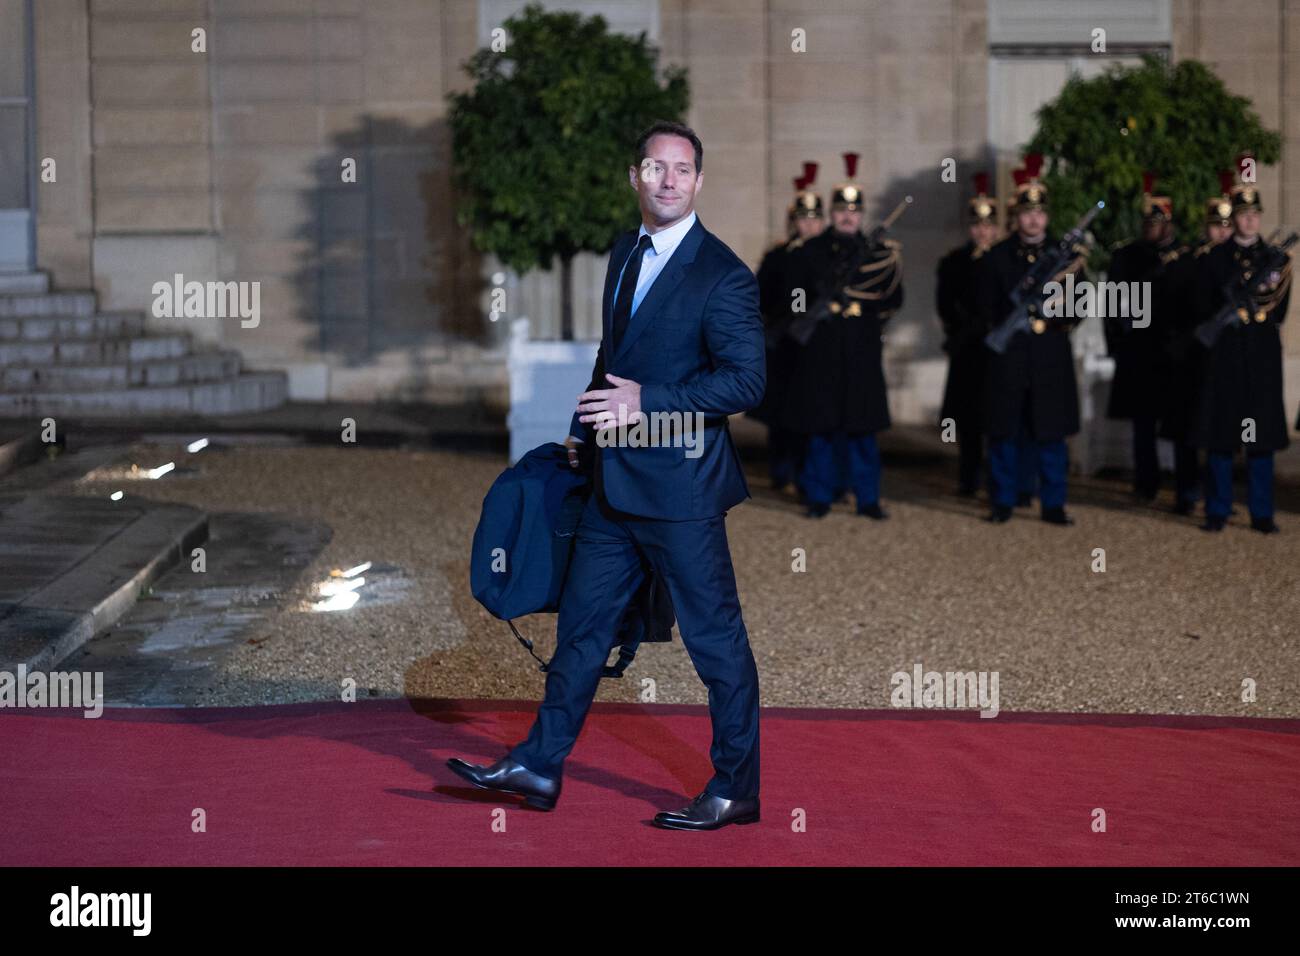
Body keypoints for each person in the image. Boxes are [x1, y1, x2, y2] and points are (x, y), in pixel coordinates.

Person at [447, 121, 766, 830]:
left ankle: (737, 787)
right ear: (636, 177)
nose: (669, 180)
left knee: (715, 643)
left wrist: (645, 403)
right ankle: (539, 762)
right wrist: (582, 433)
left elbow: (746, 383)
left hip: (681, 492)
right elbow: (611, 356)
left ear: (699, 182)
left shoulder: (724, 275)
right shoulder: (627, 251)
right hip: (611, 487)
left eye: (682, 170)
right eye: (656, 168)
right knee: (583, 632)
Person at [781, 152, 903, 519]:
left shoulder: (878, 254)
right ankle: (818, 495)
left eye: (854, 210)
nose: (848, 216)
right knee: (820, 430)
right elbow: (794, 296)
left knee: (862, 431)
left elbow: (893, 298)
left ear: (861, 214)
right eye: (841, 210)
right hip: (821, 350)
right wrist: (817, 306)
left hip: (861, 350)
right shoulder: (811, 251)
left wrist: (861, 314)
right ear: (832, 213)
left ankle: (867, 498)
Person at [976, 154, 1087, 525]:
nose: (1034, 219)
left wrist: (1050, 307)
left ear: (1047, 216)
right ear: (1016, 216)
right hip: (1010, 352)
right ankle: (1003, 501)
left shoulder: (1068, 258)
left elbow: (1079, 305)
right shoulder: (997, 257)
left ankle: (1053, 503)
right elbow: (984, 306)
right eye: (1026, 213)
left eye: (1039, 213)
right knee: (1005, 430)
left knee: (1050, 432)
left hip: (1049, 350)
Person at [1189, 163, 1292, 533]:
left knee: (1258, 438)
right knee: (1221, 437)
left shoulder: (1277, 260)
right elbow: (1200, 306)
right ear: (1234, 219)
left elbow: (1279, 309)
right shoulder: (1213, 260)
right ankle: (1217, 509)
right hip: (1226, 355)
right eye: (1243, 216)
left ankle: (1261, 513)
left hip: (1260, 356)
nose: (1249, 222)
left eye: (1254, 216)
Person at [1104, 174, 1186, 503]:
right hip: (1139, 353)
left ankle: (1185, 488)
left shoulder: (1186, 256)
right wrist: (1117, 349)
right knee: (1143, 425)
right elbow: (1111, 307)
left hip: (1175, 353)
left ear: (1169, 223)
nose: (1151, 226)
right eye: (1147, 221)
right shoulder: (1126, 257)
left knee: (1181, 424)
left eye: (1158, 221)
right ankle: (1146, 482)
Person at [1160, 175, 1237, 515]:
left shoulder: (1241, 264)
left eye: (1226, 226)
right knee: (1186, 427)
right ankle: (1187, 492)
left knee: (1223, 430)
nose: (1220, 232)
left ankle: (1221, 495)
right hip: (1190, 355)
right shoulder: (1186, 262)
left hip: (1227, 356)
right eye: (1215, 226)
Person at [751, 165, 823, 492]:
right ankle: (782, 473)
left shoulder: (828, 255)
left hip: (814, 344)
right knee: (780, 415)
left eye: (813, 219)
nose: (807, 225)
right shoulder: (779, 255)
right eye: (802, 219)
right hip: (781, 342)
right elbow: (760, 293)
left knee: (809, 415)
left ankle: (810, 476)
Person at [936, 172, 999, 496]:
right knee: (968, 419)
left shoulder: (1004, 257)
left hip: (998, 349)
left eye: (988, 225)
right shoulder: (954, 262)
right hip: (967, 348)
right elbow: (945, 303)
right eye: (977, 224)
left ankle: (998, 480)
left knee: (997, 417)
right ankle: (968, 477)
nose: (983, 231)